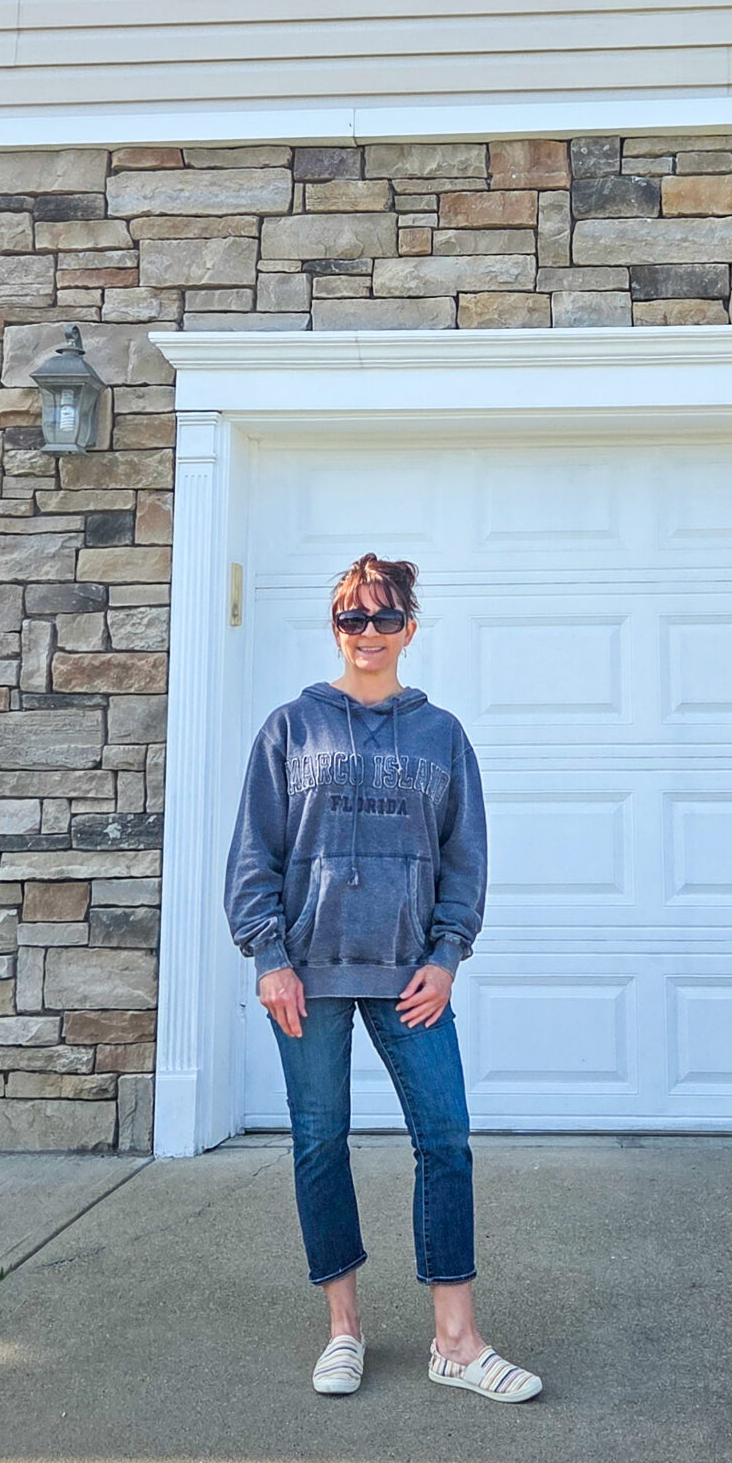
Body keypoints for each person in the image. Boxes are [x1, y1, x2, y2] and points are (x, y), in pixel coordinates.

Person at [225, 551, 542, 1404]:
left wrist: (446, 958)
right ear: (336, 628)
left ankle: (457, 1340)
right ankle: (343, 1329)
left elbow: (464, 860)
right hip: (308, 976)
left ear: (410, 627)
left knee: (446, 1141)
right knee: (320, 1142)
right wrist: (270, 959)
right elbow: (256, 854)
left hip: (412, 979)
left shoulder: (441, 736)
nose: (369, 634)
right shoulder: (291, 729)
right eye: (353, 619)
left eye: (385, 619)